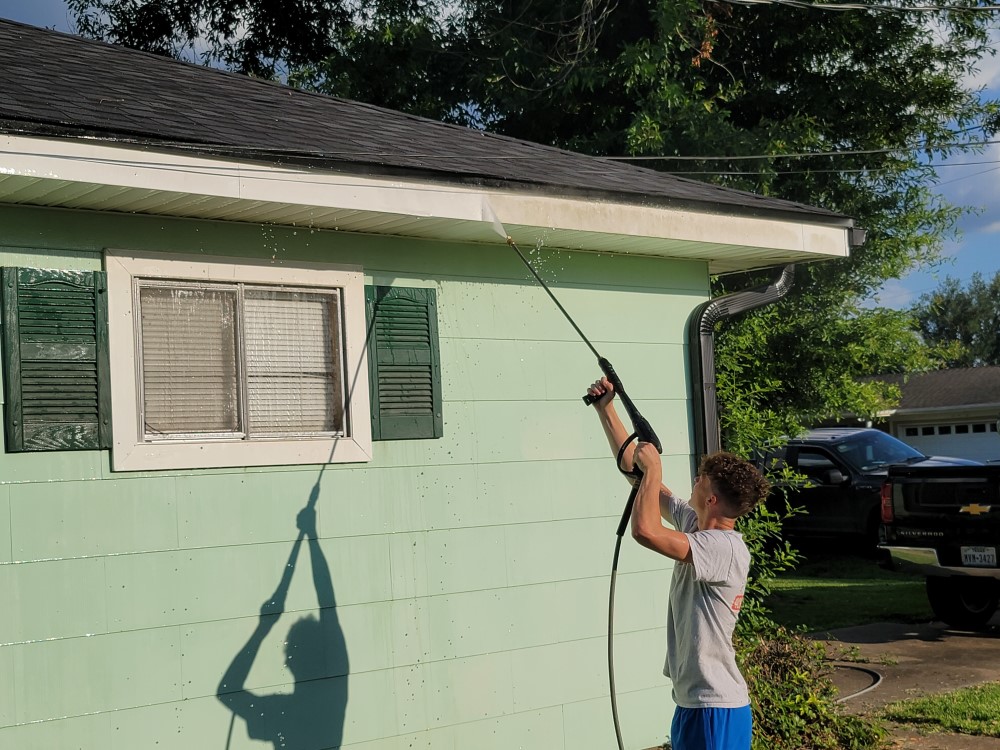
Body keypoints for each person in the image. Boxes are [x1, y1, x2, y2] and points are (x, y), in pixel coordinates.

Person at [587, 376, 770, 750]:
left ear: (713, 500)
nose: (694, 481)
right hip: (692, 702)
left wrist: (653, 470)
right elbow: (640, 482)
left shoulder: (725, 549)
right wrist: (607, 408)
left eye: (701, 480)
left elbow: (646, 531)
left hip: (715, 706)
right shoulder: (696, 526)